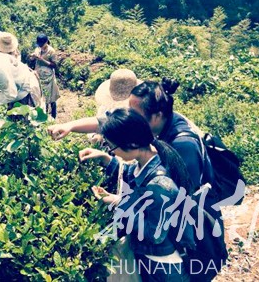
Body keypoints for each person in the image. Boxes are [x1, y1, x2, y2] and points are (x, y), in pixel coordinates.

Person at [80, 108, 195, 281]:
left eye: (112, 147)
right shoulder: (151, 159)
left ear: (132, 144)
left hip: (162, 267)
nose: (113, 152)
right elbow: (132, 174)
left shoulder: (159, 185)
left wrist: (119, 203)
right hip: (151, 258)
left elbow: (155, 235)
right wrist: (105, 159)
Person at [48, 78, 213, 194]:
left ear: (156, 116)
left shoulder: (184, 145)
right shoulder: (150, 123)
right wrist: (69, 126)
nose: (129, 116)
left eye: (134, 113)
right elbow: (103, 121)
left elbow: (181, 197)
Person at [29, 34, 60, 118]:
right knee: (41, 97)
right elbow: (32, 60)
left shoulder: (51, 51)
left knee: (52, 98)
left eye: (42, 44)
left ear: (46, 42)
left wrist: (41, 59)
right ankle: (44, 116)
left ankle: (53, 116)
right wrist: (32, 57)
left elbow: (54, 65)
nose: (41, 46)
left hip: (49, 77)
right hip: (39, 76)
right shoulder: (37, 49)